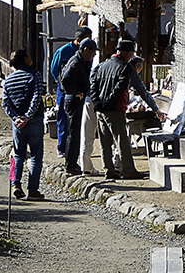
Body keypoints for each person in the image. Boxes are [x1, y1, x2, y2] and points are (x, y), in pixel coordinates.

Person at [90, 39, 164, 180]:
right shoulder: (126, 68)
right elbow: (129, 89)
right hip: (115, 109)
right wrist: (156, 109)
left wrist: (98, 102)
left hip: (100, 110)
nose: (131, 56)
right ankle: (128, 170)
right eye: (130, 53)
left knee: (105, 142)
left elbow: (93, 85)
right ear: (125, 53)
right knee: (121, 141)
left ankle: (109, 170)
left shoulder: (101, 65)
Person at [2, 49, 45, 201]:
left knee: (16, 155)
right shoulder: (34, 75)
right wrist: (28, 116)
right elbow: (37, 97)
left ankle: (15, 184)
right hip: (34, 120)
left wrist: (16, 118)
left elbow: (5, 103)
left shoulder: (9, 79)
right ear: (25, 59)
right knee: (35, 155)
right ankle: (33, 190)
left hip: (17, 123)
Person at [50, 26, 92, 158]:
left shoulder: (86, 53)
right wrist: (64, 85)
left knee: (77, 121)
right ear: (78, 40)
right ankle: (62, 147)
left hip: (80, 90)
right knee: (63, 118)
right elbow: (54, 70)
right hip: (64, 89)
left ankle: (75, 149)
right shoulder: (63, 51)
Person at [61, 37, 97, 175]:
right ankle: (70, 164)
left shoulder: (83, 61)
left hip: (77, 98)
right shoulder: (75, 62)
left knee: (76, 133)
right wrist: (76, 93)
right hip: (73, 100)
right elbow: (65, 80)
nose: (93, 55)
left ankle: (72, 163)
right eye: (92, 52)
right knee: (73, 134)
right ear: (85, 50)